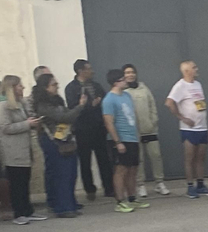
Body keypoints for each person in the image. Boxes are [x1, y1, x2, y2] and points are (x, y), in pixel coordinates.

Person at [32, 73, 83, 218]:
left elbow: (68, 116)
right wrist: (80, 106)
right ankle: (62, 207)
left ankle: (70, 203)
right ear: (45, 87)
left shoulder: (57, 101)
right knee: (61, 174)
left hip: (65, 138)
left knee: (70, 173)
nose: (57, 87)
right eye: (53, 85)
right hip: (52, 141)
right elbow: (64, 117)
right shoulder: (43, 105)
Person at [0, 74, 42, 224]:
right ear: (12, 88)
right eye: (20, 85)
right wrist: (27, 124)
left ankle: (27, 210)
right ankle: (19, 213)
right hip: (12, 150)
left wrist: (32, 120)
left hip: (24, 148)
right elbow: (5, 127)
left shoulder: (20, 104)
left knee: (25, 181)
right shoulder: (2, 106)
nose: (23, 87)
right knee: (17, 183)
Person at [165, 61, 208, 198]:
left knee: (201, 158)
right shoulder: (180, 86)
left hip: (202, 127)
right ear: (187, 71)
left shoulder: (198, 84)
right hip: (189, 129)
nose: (197, 69)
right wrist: (182, 117)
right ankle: (190, 186)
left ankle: (201, 185)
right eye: (194, 67)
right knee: (189, 158)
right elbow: (169, 102)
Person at [67, 60, 112, 201]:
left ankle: (109, 187)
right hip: (82, 129)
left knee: (104, 159)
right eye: (89, 69)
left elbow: (105, 100)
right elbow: (73, 107)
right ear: (81, 71)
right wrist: (90, 105)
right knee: (85, 161)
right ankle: (90, 189)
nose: (92, 71)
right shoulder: (71, 88)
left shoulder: (96, 85)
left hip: (99, 127)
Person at [121, 64, 168, 197]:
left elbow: (152, 106)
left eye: (132, 72)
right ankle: (140, 184)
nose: (130, 75)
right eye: (127, 73)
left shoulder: (144, 89)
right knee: (139, 159)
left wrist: (153, 122)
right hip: (134, 133)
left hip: (150, 130)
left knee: (156, 156)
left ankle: (159, 182)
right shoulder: (124, 92)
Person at [101, 69, 145, 213]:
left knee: (132, 169)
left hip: (132, 138)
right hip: (120, 139)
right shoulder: (109, 100)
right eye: (123, 79)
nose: (126, 81)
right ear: (116, 82)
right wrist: (117, 142)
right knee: (121, 170)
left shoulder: (127, 95)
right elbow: (109, 123)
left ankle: (132, 198)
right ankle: (120, 201)